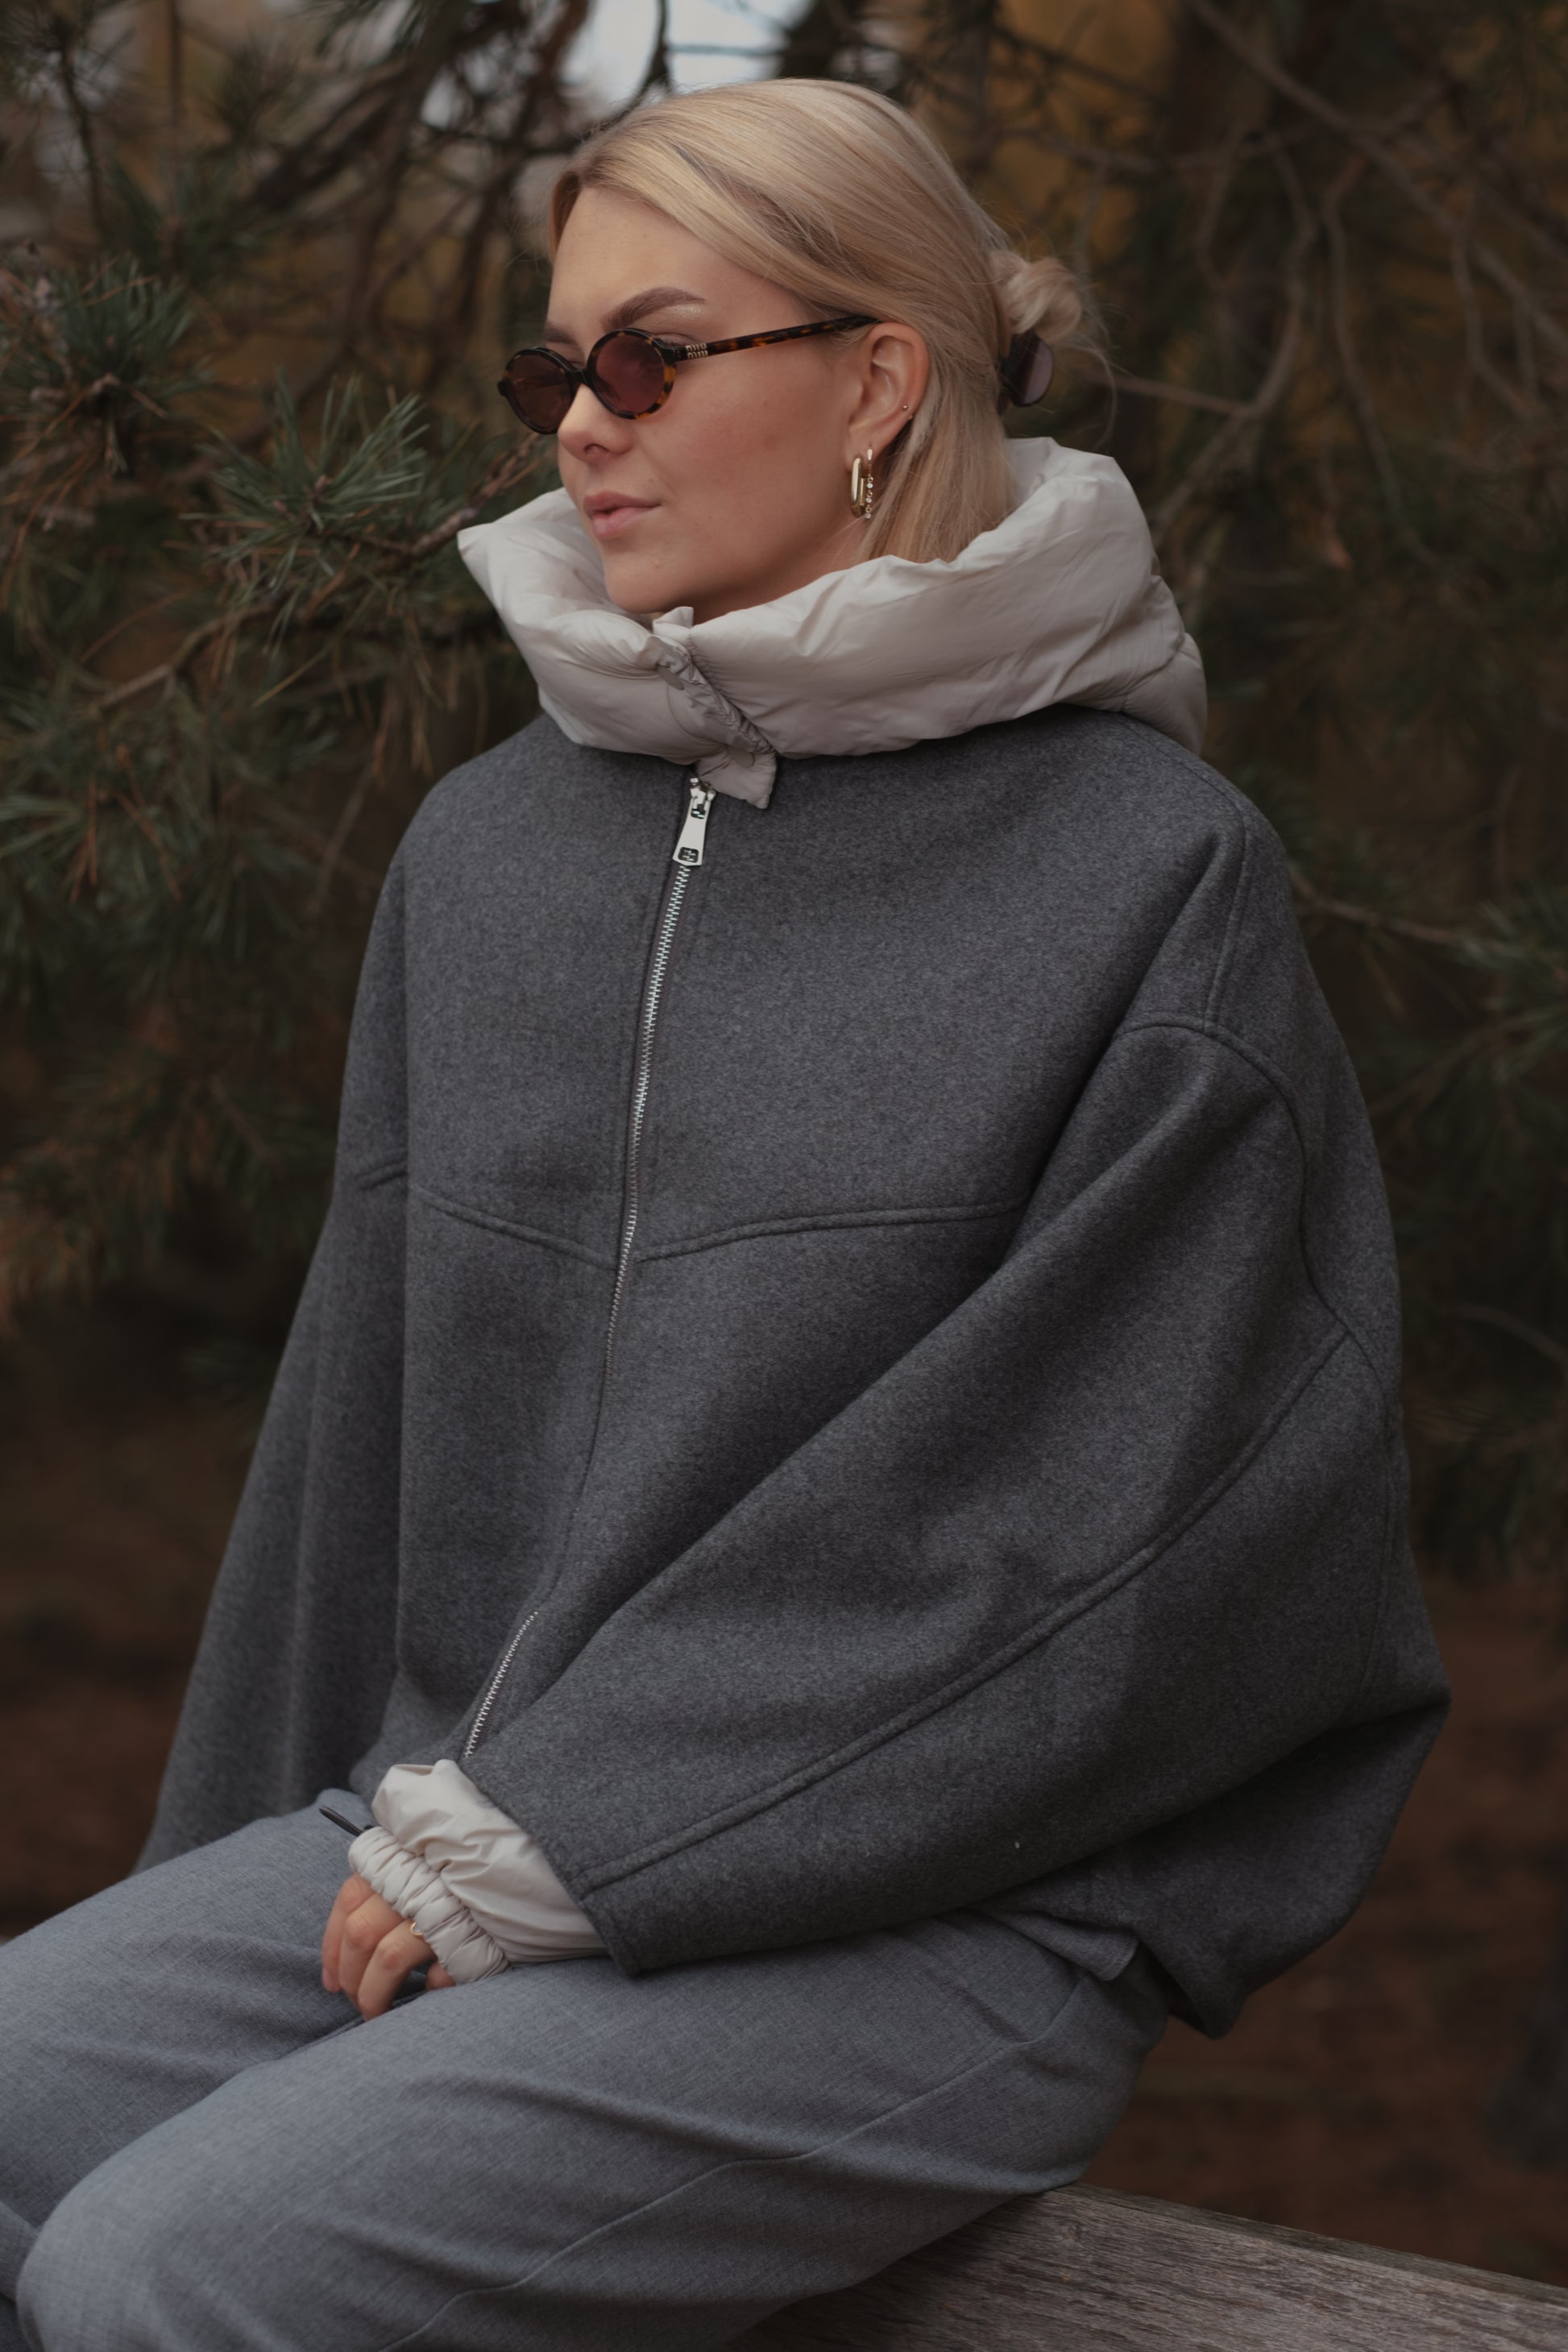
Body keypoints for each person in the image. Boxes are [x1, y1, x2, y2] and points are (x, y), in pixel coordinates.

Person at [0, 78, 1447, 2352]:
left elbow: (1124, 1532)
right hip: (446, 1830)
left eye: (654, 355)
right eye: (555, 367)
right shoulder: (488, 854)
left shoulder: (1146, 877)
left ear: (878, 383)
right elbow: (354, 1452)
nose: (585, 422)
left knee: (163, 2268)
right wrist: (235, 1905)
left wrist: (581, 1831)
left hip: (947, 1913)